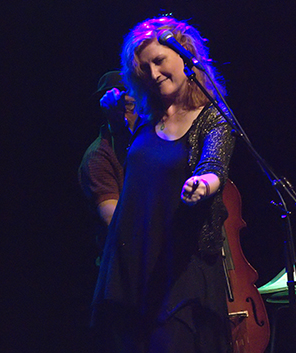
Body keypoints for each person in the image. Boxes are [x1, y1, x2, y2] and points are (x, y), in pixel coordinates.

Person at [90, 17, 235, 353]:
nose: (153, 74)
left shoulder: (212, 117)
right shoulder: (146, 119)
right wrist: (116, 123)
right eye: (144, 67)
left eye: (159, 60)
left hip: (179, 266)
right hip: (133, 266)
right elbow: (140, 172)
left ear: (184, 55)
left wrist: (203, 182)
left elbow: (215, 163)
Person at [78, 70, 139, 259]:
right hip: (124, 261)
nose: (134, 114)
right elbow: (116, 222)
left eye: (131, 105)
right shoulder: (97, 156)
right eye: (126, 107)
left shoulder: (149, 138)